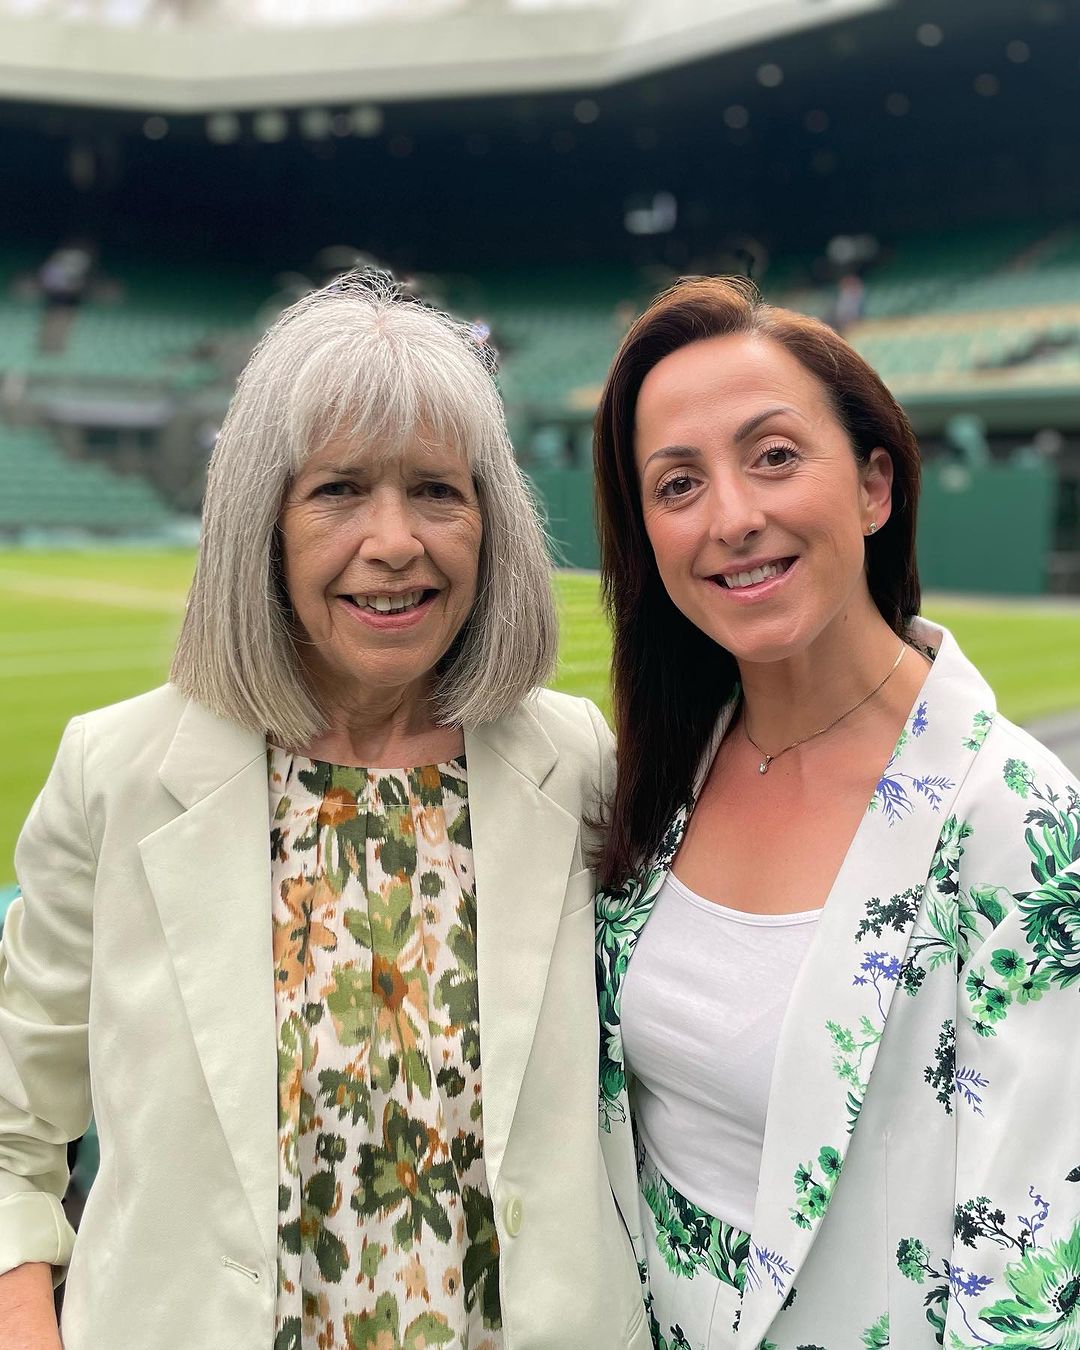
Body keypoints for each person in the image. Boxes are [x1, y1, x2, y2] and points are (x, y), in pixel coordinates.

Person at [0, 275, 650, 1350]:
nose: (395, 542)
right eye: (340, 489)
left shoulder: (575, 762)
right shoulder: (114, 773)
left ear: (492, 521)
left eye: (438, 491)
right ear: (264, 522)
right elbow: (13, 1129)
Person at [591, 276, 1080, 1350]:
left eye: (773, 457)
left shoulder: (1017, 823)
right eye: (677, 485)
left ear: (874, 486)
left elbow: (1030, 1278)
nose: (731, 518)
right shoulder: (656, 774)